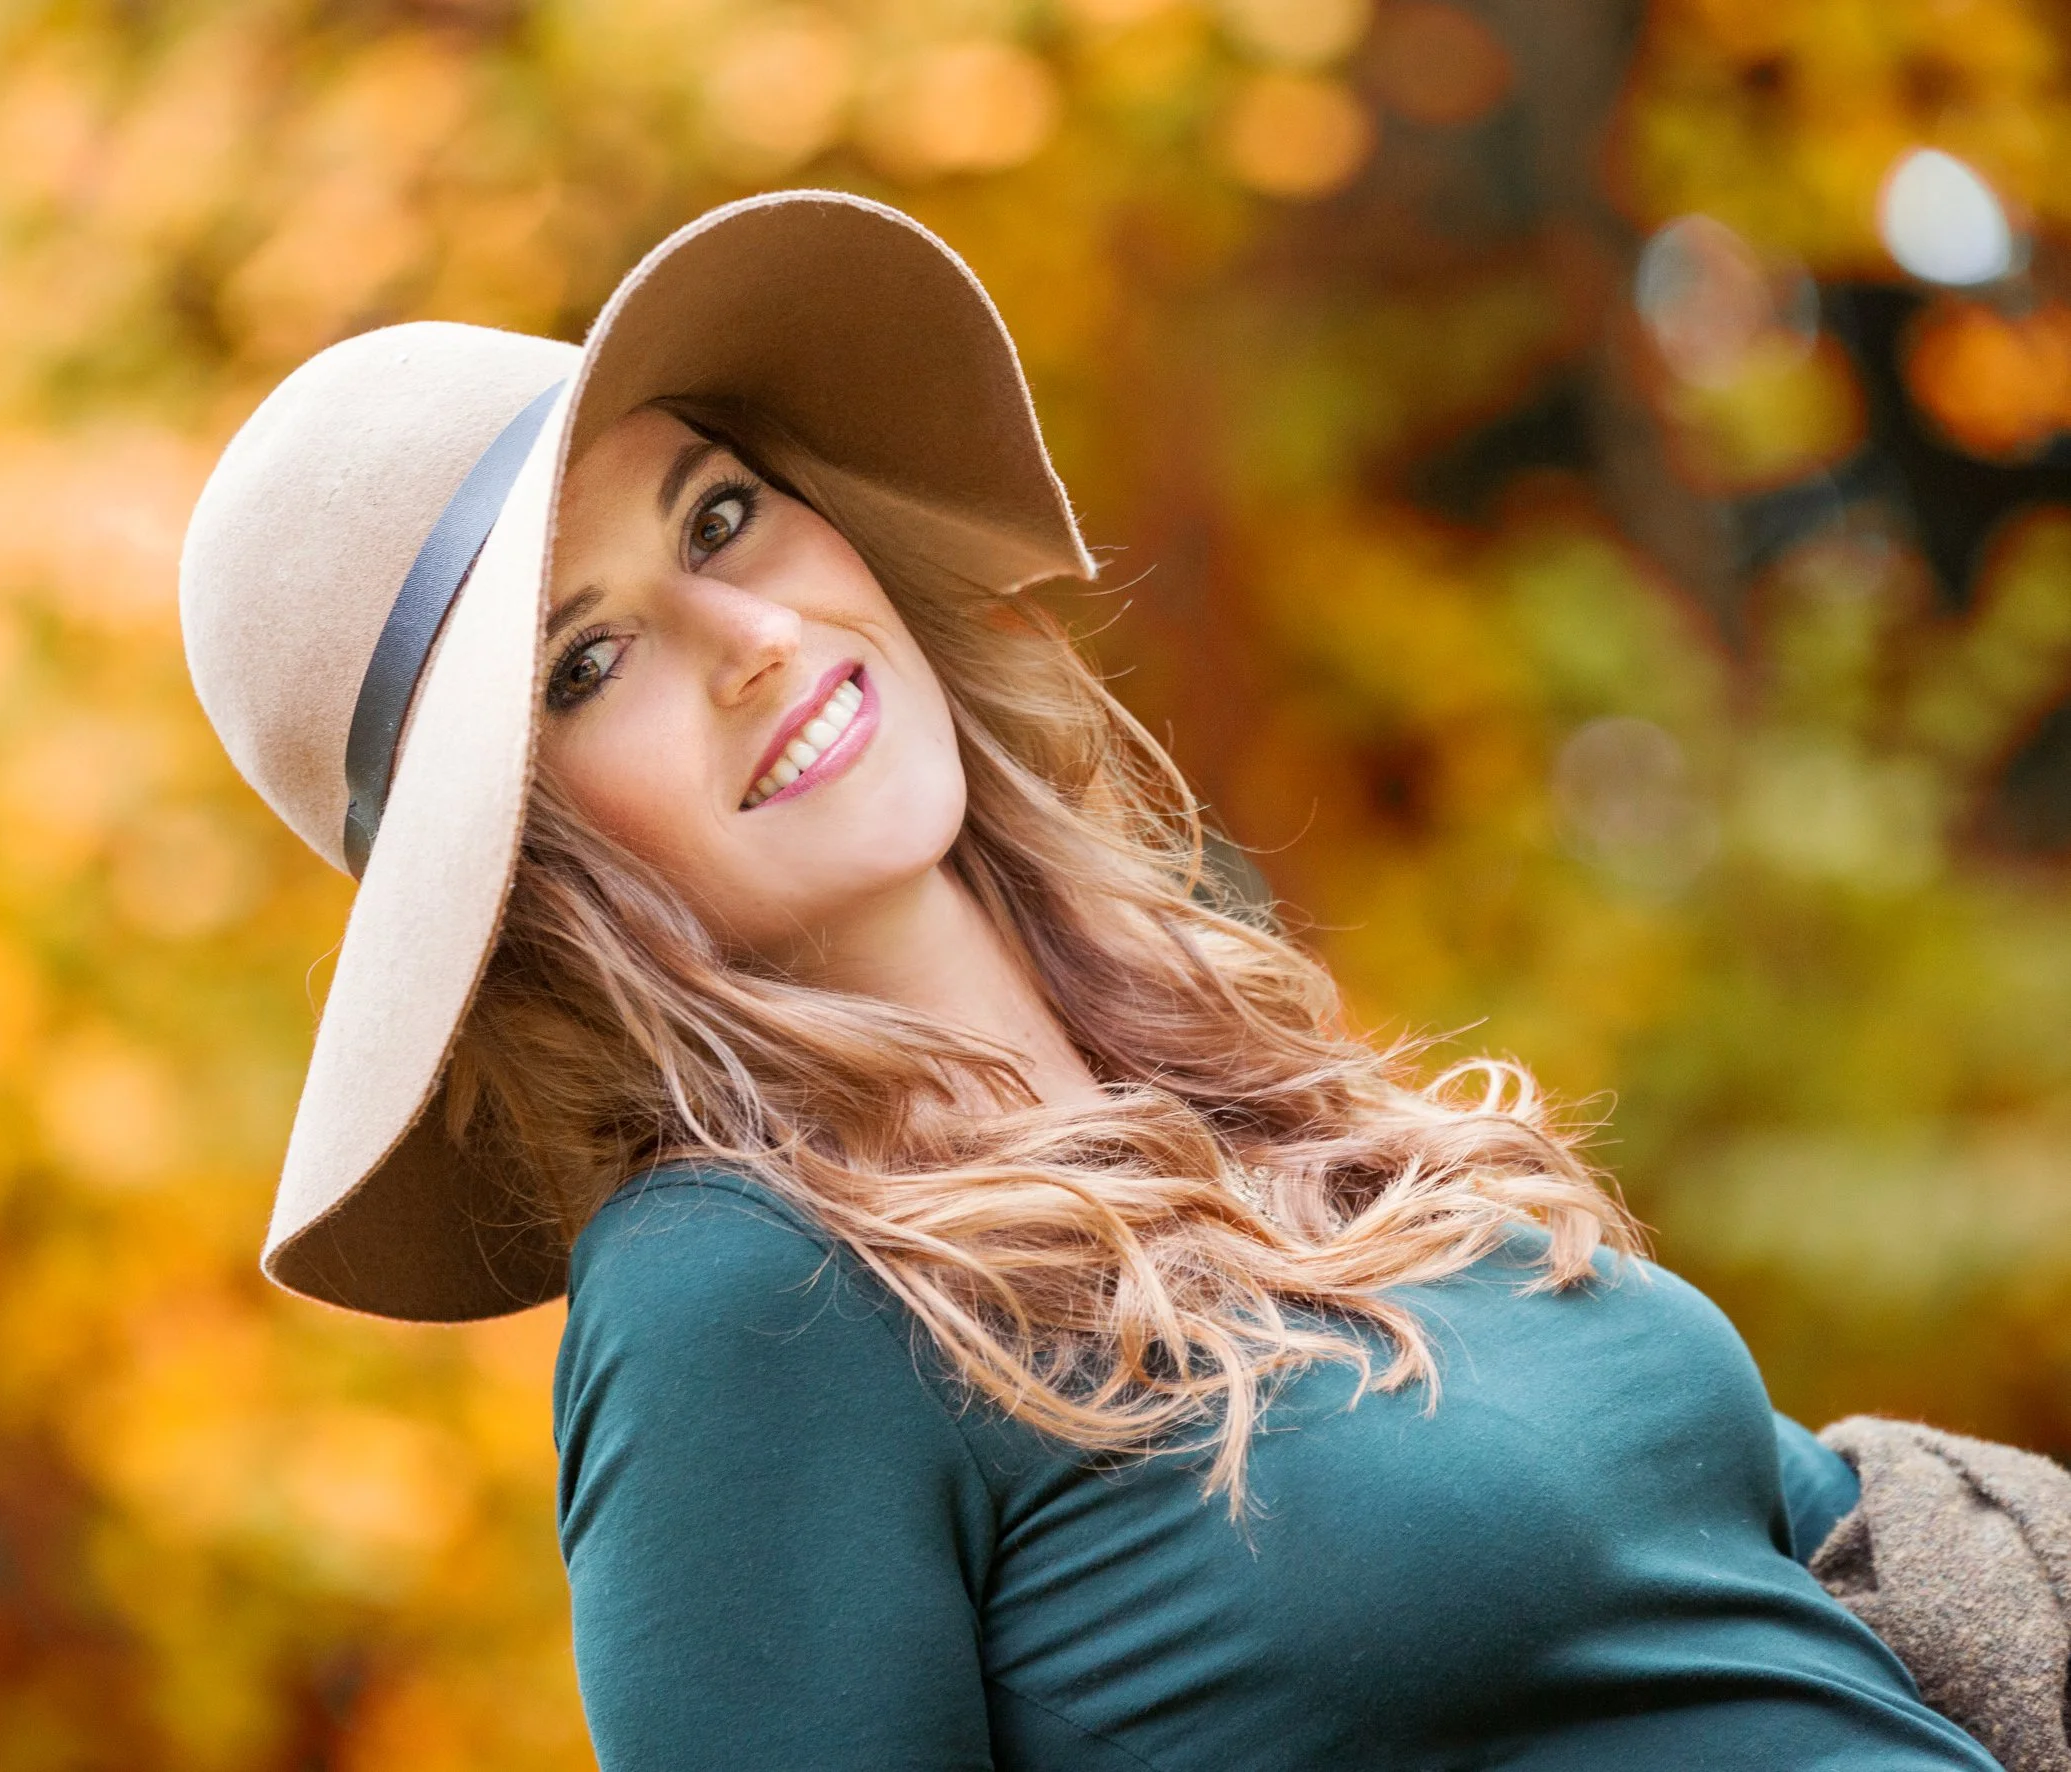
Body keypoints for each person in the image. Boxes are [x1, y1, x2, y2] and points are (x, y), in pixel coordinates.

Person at [178, 192, 2016, 1770]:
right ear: (521, 872)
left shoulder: (1247, 1080)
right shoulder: (744, 1296)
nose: (747, 639)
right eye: (587, 663)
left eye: (718, 515)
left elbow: (1817, 1577)